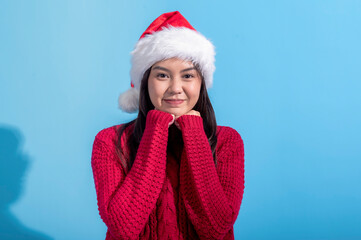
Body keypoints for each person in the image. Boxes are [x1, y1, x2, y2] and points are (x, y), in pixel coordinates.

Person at [91, 11, 245, 240]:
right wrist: (156, 129)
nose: (175, 88)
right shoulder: (110, 141)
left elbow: (215, 229)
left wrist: (193, 133)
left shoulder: (227, 141)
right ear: (145, 82)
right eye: (162, 75)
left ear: (201, 83)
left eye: (187, 76)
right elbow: (124, 228)